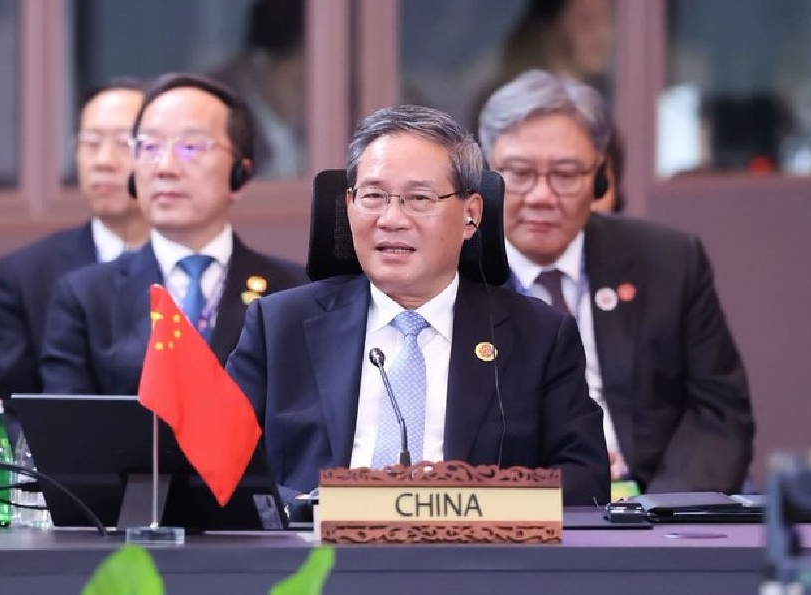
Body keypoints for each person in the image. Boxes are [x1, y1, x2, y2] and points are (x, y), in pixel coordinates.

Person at [225, 103, 609, 506]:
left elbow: (584, 478)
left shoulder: (539, 337)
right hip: (316, 541)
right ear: (349, 206)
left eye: (419, 198)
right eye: (373, 196)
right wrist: (310, 508)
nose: (391, 219)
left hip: (470, 544)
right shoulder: (279, 326)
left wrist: (469, 508)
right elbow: (221, 462)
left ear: (471, 215)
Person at [478, 69, 755, 494]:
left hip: (652, 501)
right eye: (519, 173)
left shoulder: (668, 261)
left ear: (600, 179)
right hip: (517, 506)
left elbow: (718, 411)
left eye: (566, 174)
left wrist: (666, 511)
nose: (542, 196)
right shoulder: (452, 275)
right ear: (484, 179)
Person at [41, 73, 307, 395]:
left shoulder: (293, 293)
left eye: (190, 147)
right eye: (150, 147)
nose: (165, 167)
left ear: (240, 173)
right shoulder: (84, 298)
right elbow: (68, 419)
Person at [0, 79, 150, 404]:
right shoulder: (27, 275)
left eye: (125, 143)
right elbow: (2, 408)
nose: (103, 161)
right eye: (91, 143)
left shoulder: (191, 272)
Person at [209, 0, 305, 178]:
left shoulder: (310, 129)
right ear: (261, 61)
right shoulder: (212, 109)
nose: (310, 102)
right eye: (299, 85)